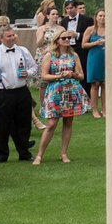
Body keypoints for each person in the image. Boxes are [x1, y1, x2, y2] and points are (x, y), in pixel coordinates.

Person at [0, 25, 37, 162]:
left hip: (22, 92)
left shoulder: (23, 51)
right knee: (2, 125)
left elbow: (34, 67)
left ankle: (24, 152)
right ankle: (1, 155)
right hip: (2, 93)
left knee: (24, 124)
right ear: (1, 38)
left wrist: (28, 73)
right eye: (9, 36)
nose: (12, 38)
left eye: (13, 35)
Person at [34, 29, 86, 164]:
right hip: (55, 91)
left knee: (68, 122)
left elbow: (81, 76)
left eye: (69, 38)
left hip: (70, 91)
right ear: (57, 41)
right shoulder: (50, 55)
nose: (67, 40)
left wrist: (72, 75)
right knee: (51, 124)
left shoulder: (74, 56)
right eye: (64, 38)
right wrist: (59, 76)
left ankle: (63, 153)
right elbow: (44, 76)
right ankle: (39, 155)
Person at [81, 8, 106, 119]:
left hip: (106, 58)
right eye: (100, 16)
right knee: (95, 84)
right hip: (94, 58)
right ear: (96, 17)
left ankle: (105, 109)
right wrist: (95, 43)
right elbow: (83, 45)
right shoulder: (90, 29)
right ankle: (95, 110)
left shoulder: (110, 29)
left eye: (104, 16)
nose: (102, 18)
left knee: (105, 84)